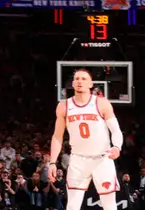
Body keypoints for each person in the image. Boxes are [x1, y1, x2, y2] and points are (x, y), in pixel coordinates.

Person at [48, 69, 122, 210]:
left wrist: (117, 146)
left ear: (91, 84)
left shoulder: (101, 103)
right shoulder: (64, 106)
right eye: (76, 79)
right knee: (72, 205)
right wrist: (52, 162)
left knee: (109, 205)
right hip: (78, 159)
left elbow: (116, 130)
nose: (79, 81)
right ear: (72, 83)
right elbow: (57, 136)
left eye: (83, 79)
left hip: (102, 159)